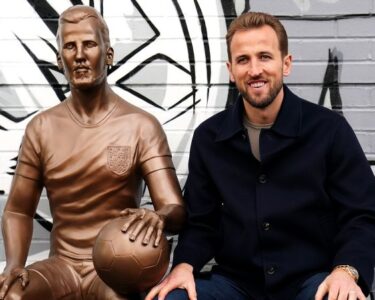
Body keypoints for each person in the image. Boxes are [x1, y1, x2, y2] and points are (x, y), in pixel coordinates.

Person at [146, 11, 375, 300]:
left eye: (265, 56)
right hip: (236, 285)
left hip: (311, 282)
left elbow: (362, 213)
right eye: (243, 60)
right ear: (231, 70)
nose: (255, 70)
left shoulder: (329, 130)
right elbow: (201, 221)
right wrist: (183, 265)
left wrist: (346, 270)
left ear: (286, 63)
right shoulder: (210, 137)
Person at [0, 5, 185, 300]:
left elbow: (175, 208)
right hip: (61, 266)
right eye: (70, 47)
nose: (80, 55)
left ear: (108, 55)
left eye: (89, 44)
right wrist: (13, 265)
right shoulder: (41, 128)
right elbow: (17, 209)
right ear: (60, 59)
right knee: (11, 295)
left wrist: (160, 217)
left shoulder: (141, 126)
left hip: (115, 271)